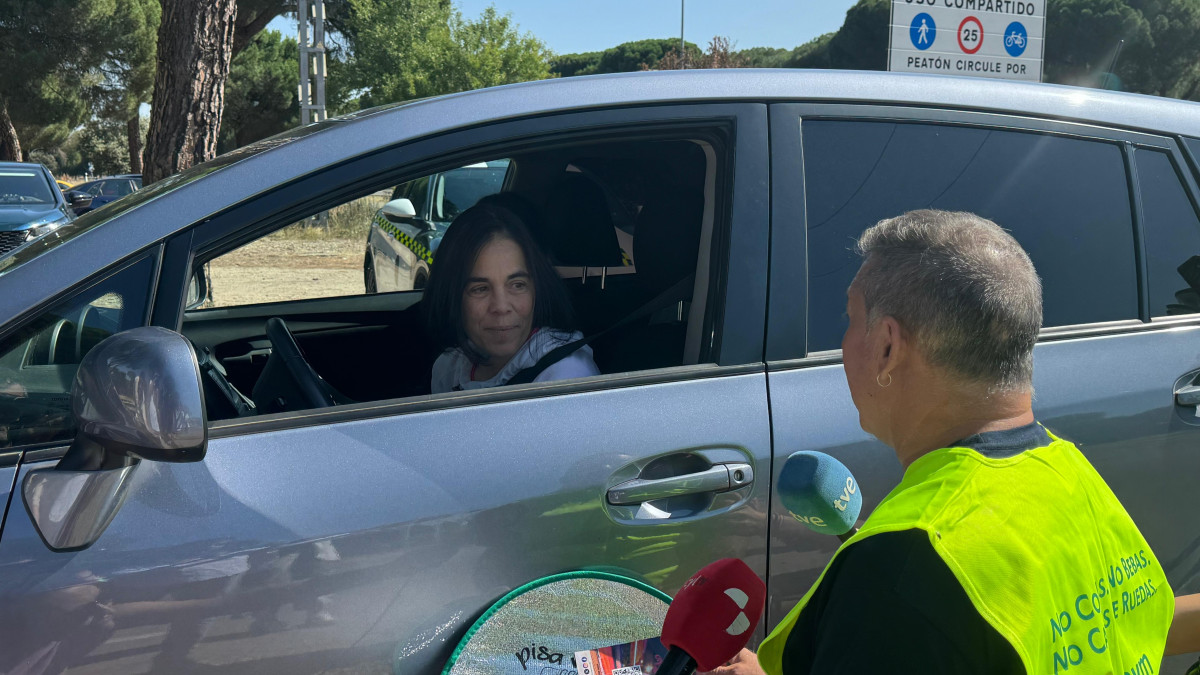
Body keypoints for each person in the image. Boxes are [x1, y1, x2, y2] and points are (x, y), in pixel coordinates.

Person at [705, 210, 1183, 674]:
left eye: (850, 320)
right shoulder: (1070, 474)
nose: (844, 346)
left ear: (889, 347)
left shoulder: (901, 569)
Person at [423, 199, 599, 393]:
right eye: (480, 289)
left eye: (517, 285)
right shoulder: (449, 367)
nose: (501, 306)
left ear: (537, 289)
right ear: (453, 296)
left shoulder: (565, 375)